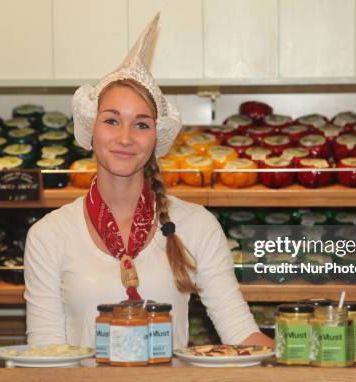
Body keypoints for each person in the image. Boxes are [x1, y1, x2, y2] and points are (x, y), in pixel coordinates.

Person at [24, 13, 273, 349]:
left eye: (141, 124)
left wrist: (300, 358)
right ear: (91, 131)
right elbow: (45, 352)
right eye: (112, 121)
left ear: (155, 137)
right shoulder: (48, 236)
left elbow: (241, 333)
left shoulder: (197, 225)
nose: (125, 138)